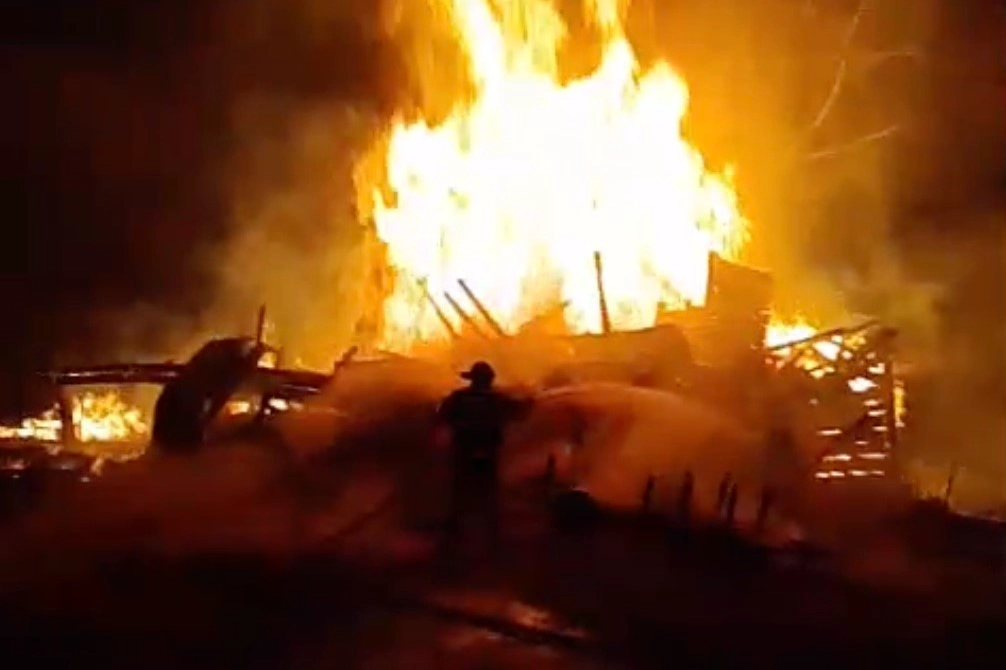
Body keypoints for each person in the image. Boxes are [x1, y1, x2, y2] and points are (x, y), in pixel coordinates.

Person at [436, 361, 531, 548]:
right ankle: (493, 535)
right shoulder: (498, 399)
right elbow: (520, 413)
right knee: (488, 493)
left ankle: (455, 533)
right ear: (489, 380)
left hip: (464, 450)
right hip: (488, 450)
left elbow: (442, 416)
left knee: (460, 492)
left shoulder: (458, 398)